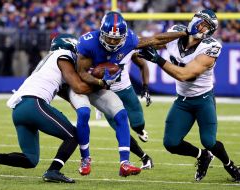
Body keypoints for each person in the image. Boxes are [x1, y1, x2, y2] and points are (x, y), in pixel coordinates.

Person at [74, 11, 199, 176]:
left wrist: (185, 32)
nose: (112, 41)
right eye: (109, 37)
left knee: (130, 119)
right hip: (87, 86)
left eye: (116, 38)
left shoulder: (131, 41)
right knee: (87, 114)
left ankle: (127, 159)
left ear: (124, 36)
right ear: (101, 33)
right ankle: (88, 159)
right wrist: (100, 82)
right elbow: (81, 73)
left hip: (118, 87)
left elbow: (156, 39)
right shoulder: (88, 42)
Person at [138, 9, 240, 182]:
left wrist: (158, 60)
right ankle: (202, 156)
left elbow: (185, 75)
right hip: (183, 100)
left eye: (208, 27)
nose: (202, 29)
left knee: (209, 140)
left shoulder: (211, 46)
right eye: (201, 23)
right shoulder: (176, 33)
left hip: (203, 99)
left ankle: (230, 165)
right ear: (194, 20)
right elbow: (151, 41)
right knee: (171, 143)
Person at [0, 34, 98, 183]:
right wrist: (102, 83)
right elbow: (78, 86)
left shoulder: (49, 61)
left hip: (19, 110)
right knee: (74, 135)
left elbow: (69, 93)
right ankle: (53, 170)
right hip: (34, 104)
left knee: (30, 159)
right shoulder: (63, 55)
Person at [104, 51, 154, 169]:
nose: (112, 42)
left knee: (138, 123)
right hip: (106, 95)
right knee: (121, 132)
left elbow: (143, 65)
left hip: (125, 90)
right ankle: (145, 157)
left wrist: (145, 86)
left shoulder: (127, 47)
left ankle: (139, 130)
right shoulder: (92, 49)